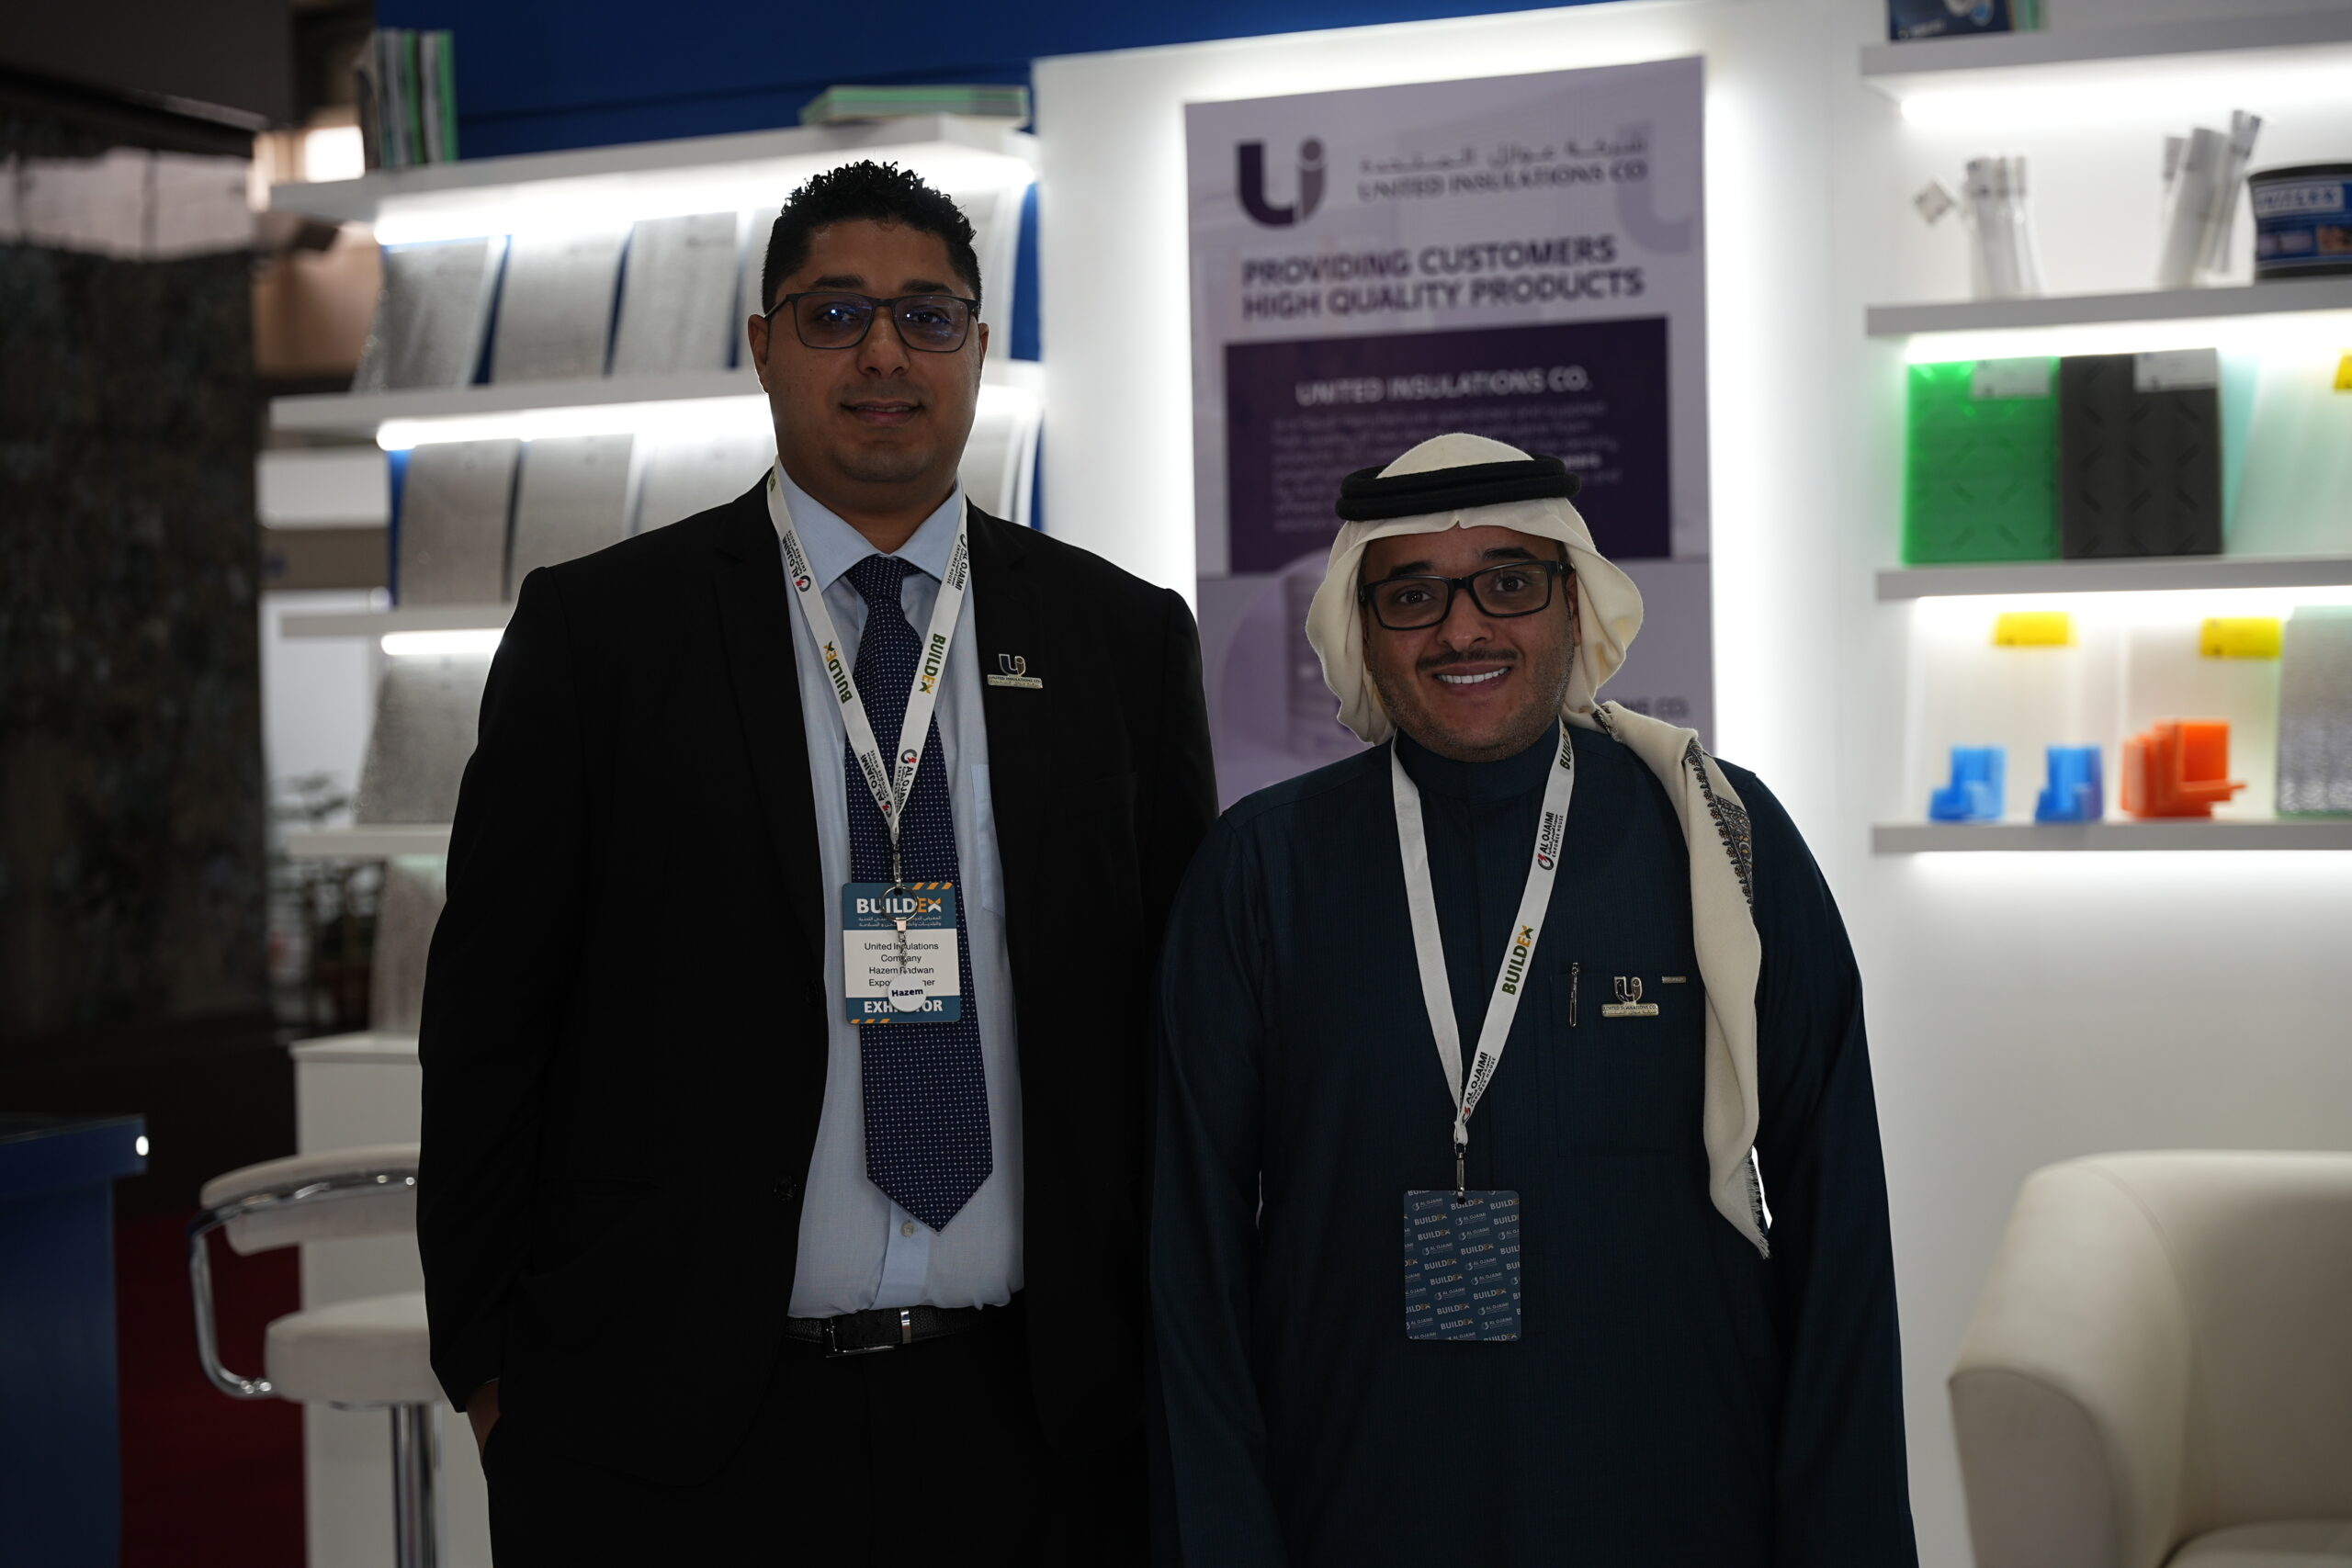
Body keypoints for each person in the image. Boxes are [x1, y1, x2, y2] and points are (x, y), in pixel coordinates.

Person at [418, 161, 1216, 1564]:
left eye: (928, 315)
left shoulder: (1120, 642)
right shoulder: (604, 637)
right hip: (677, 1435)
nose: (885, 353)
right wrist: (490, 1375)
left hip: (1039, 1429)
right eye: (836, 313)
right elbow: (489, 1024)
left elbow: (1175, 1031)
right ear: (764, 344)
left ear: (978, 345)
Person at [1149, 433, 1916, 1565]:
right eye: (1412, 594)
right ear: (1362, 626)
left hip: (1680, 1497)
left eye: (1508, 583)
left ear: (1573, 603)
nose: (1463, 630)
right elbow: (1190, 1260)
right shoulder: (1260, 870)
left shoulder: (1718, 837)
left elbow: (1836, 1216)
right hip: (1359, 1501)